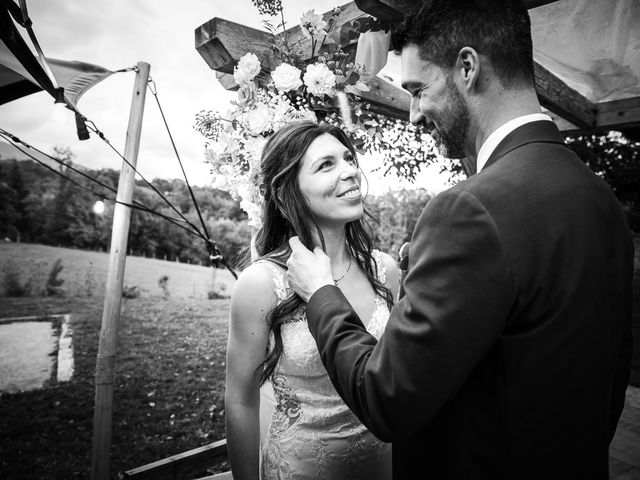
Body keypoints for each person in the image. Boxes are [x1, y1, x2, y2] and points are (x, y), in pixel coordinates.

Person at [285, 1, 634, 479]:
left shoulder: (467, 210)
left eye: (418, 89)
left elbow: (386, 398)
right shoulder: (599, 198)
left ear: (467, 67)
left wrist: (322, 294)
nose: (412, 114)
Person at [224, 121, 399, 480]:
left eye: (349, 158)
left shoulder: (385, 271)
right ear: (290, 191)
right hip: (299, 468)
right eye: (326, 165)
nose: (351, 171)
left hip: (382, 465)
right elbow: (240, 400)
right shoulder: (261, 284)